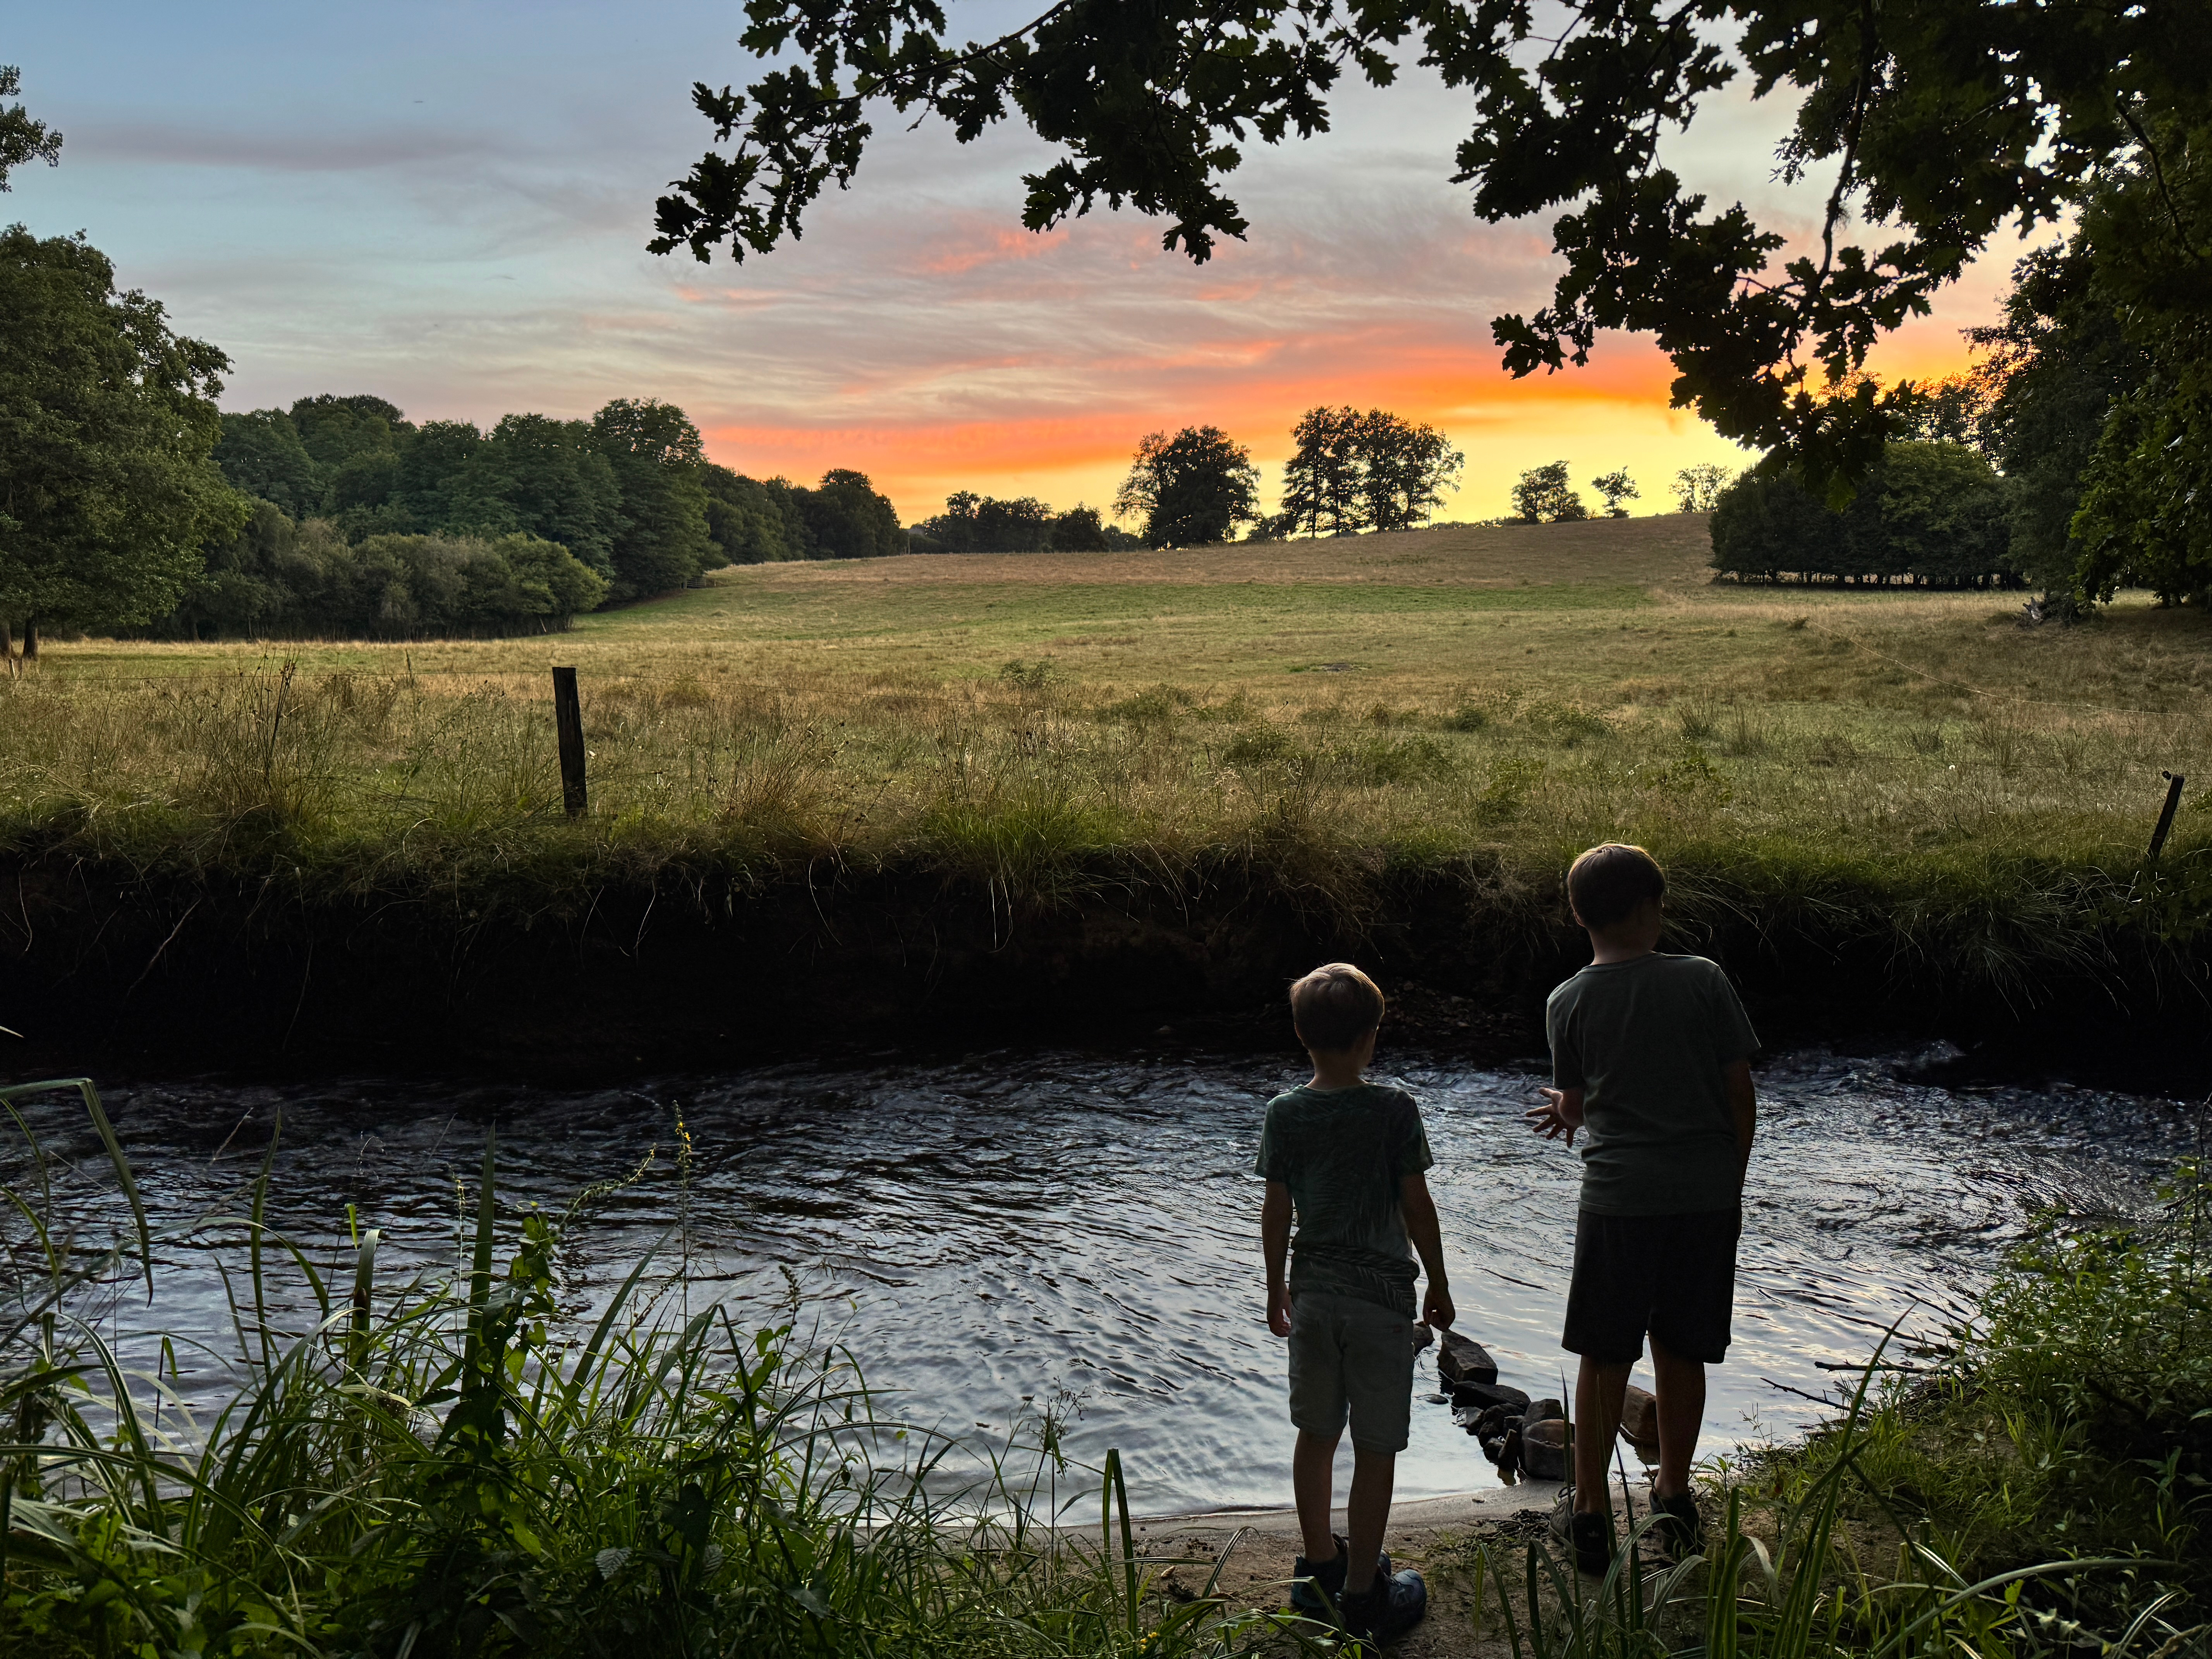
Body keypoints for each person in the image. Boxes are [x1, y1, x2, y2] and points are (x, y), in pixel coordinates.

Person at [1525, 843, 1759, 1573]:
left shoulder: (1566, 1001)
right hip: (1703, 1198)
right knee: (1683, 1351)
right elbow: (1738, 1092)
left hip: (1617, 1202)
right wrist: (1731, 1179)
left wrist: (1568, 1111)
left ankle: (1590, 1513)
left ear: (1577, 916)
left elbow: (1578, 1098)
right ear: (1653, 910)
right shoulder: (1703, 981)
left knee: (1605, 1356)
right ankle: (1674, 1496)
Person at [1257, 962, 1453, 1645]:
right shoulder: (1395, 1110)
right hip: (1379, 1303)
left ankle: (1316, 1573)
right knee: (1376, 1446)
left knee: (1316, 1433)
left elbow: (1276, 1209)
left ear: (1302, 1036)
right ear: (1371, 1038)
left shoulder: (1286, 1113)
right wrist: (1440, 1281)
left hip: (1313, 1297)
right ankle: (1365, 1591)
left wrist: (1275, 1284)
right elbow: (1416, 1206)